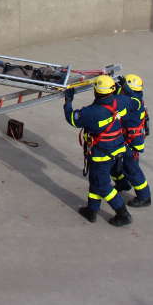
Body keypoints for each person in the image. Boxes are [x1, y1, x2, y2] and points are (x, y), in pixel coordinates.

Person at [63, 75, 133, 226]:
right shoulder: (121, 101)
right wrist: (124, 88)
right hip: (117, 149)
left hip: (101, 154)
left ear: (95, 92)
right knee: (95, 181)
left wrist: (68, 102)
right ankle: (91, 210)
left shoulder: (92, 112)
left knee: (102, 185)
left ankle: (123, 214)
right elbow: (133, 100)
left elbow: (72, 119)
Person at [112, 74, 152, 207]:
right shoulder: (135, 98)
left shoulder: (133, 104)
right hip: (125, 140)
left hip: (130, 143)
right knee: (115, 165)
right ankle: (123, 183)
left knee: (132, 169)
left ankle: (144, 197)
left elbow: (118, 106)